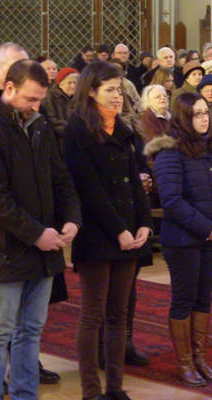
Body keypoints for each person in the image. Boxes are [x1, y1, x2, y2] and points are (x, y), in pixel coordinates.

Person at [0, 60, 81, 400]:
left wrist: (72, 218)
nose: (36, 107)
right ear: (9, 88)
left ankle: (24, 394)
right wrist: (36, 234)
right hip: (6, 250)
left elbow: (61, 179)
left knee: (30, 331)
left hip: (43, 249)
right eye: (30, 99)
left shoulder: (40, 125)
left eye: (40, 100)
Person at [63, 61, 153, 400]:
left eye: (120, 89)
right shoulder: (78, 130)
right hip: (97, 234)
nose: (118, 96)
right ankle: (91, 391)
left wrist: (144, 223)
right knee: (93, 315)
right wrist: (119, 230)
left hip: (127, 232)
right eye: (110, 90)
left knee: (119, 315)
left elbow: (135, 183)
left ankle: (115, 388)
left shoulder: (123, 128)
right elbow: (89, 189)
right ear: (91, 91)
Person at [148, 93, 212, 387]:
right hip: (183, 239)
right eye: (197, 114)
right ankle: (185, 362)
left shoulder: (211, 146)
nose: (204, 118)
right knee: (184, 299)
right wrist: (206, 227)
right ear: (183, 117)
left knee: (203, 298)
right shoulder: (169, 151)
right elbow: (171, 200)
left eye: (205, 112)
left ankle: (200, 358)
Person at [41, 67, 79, 141]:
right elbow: (51, 119)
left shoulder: (79, 97)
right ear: (61, 84)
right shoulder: (50, 98)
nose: (73, 86)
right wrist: (70, 131)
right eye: (69, 83)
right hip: (58, 139)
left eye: (75, 83)